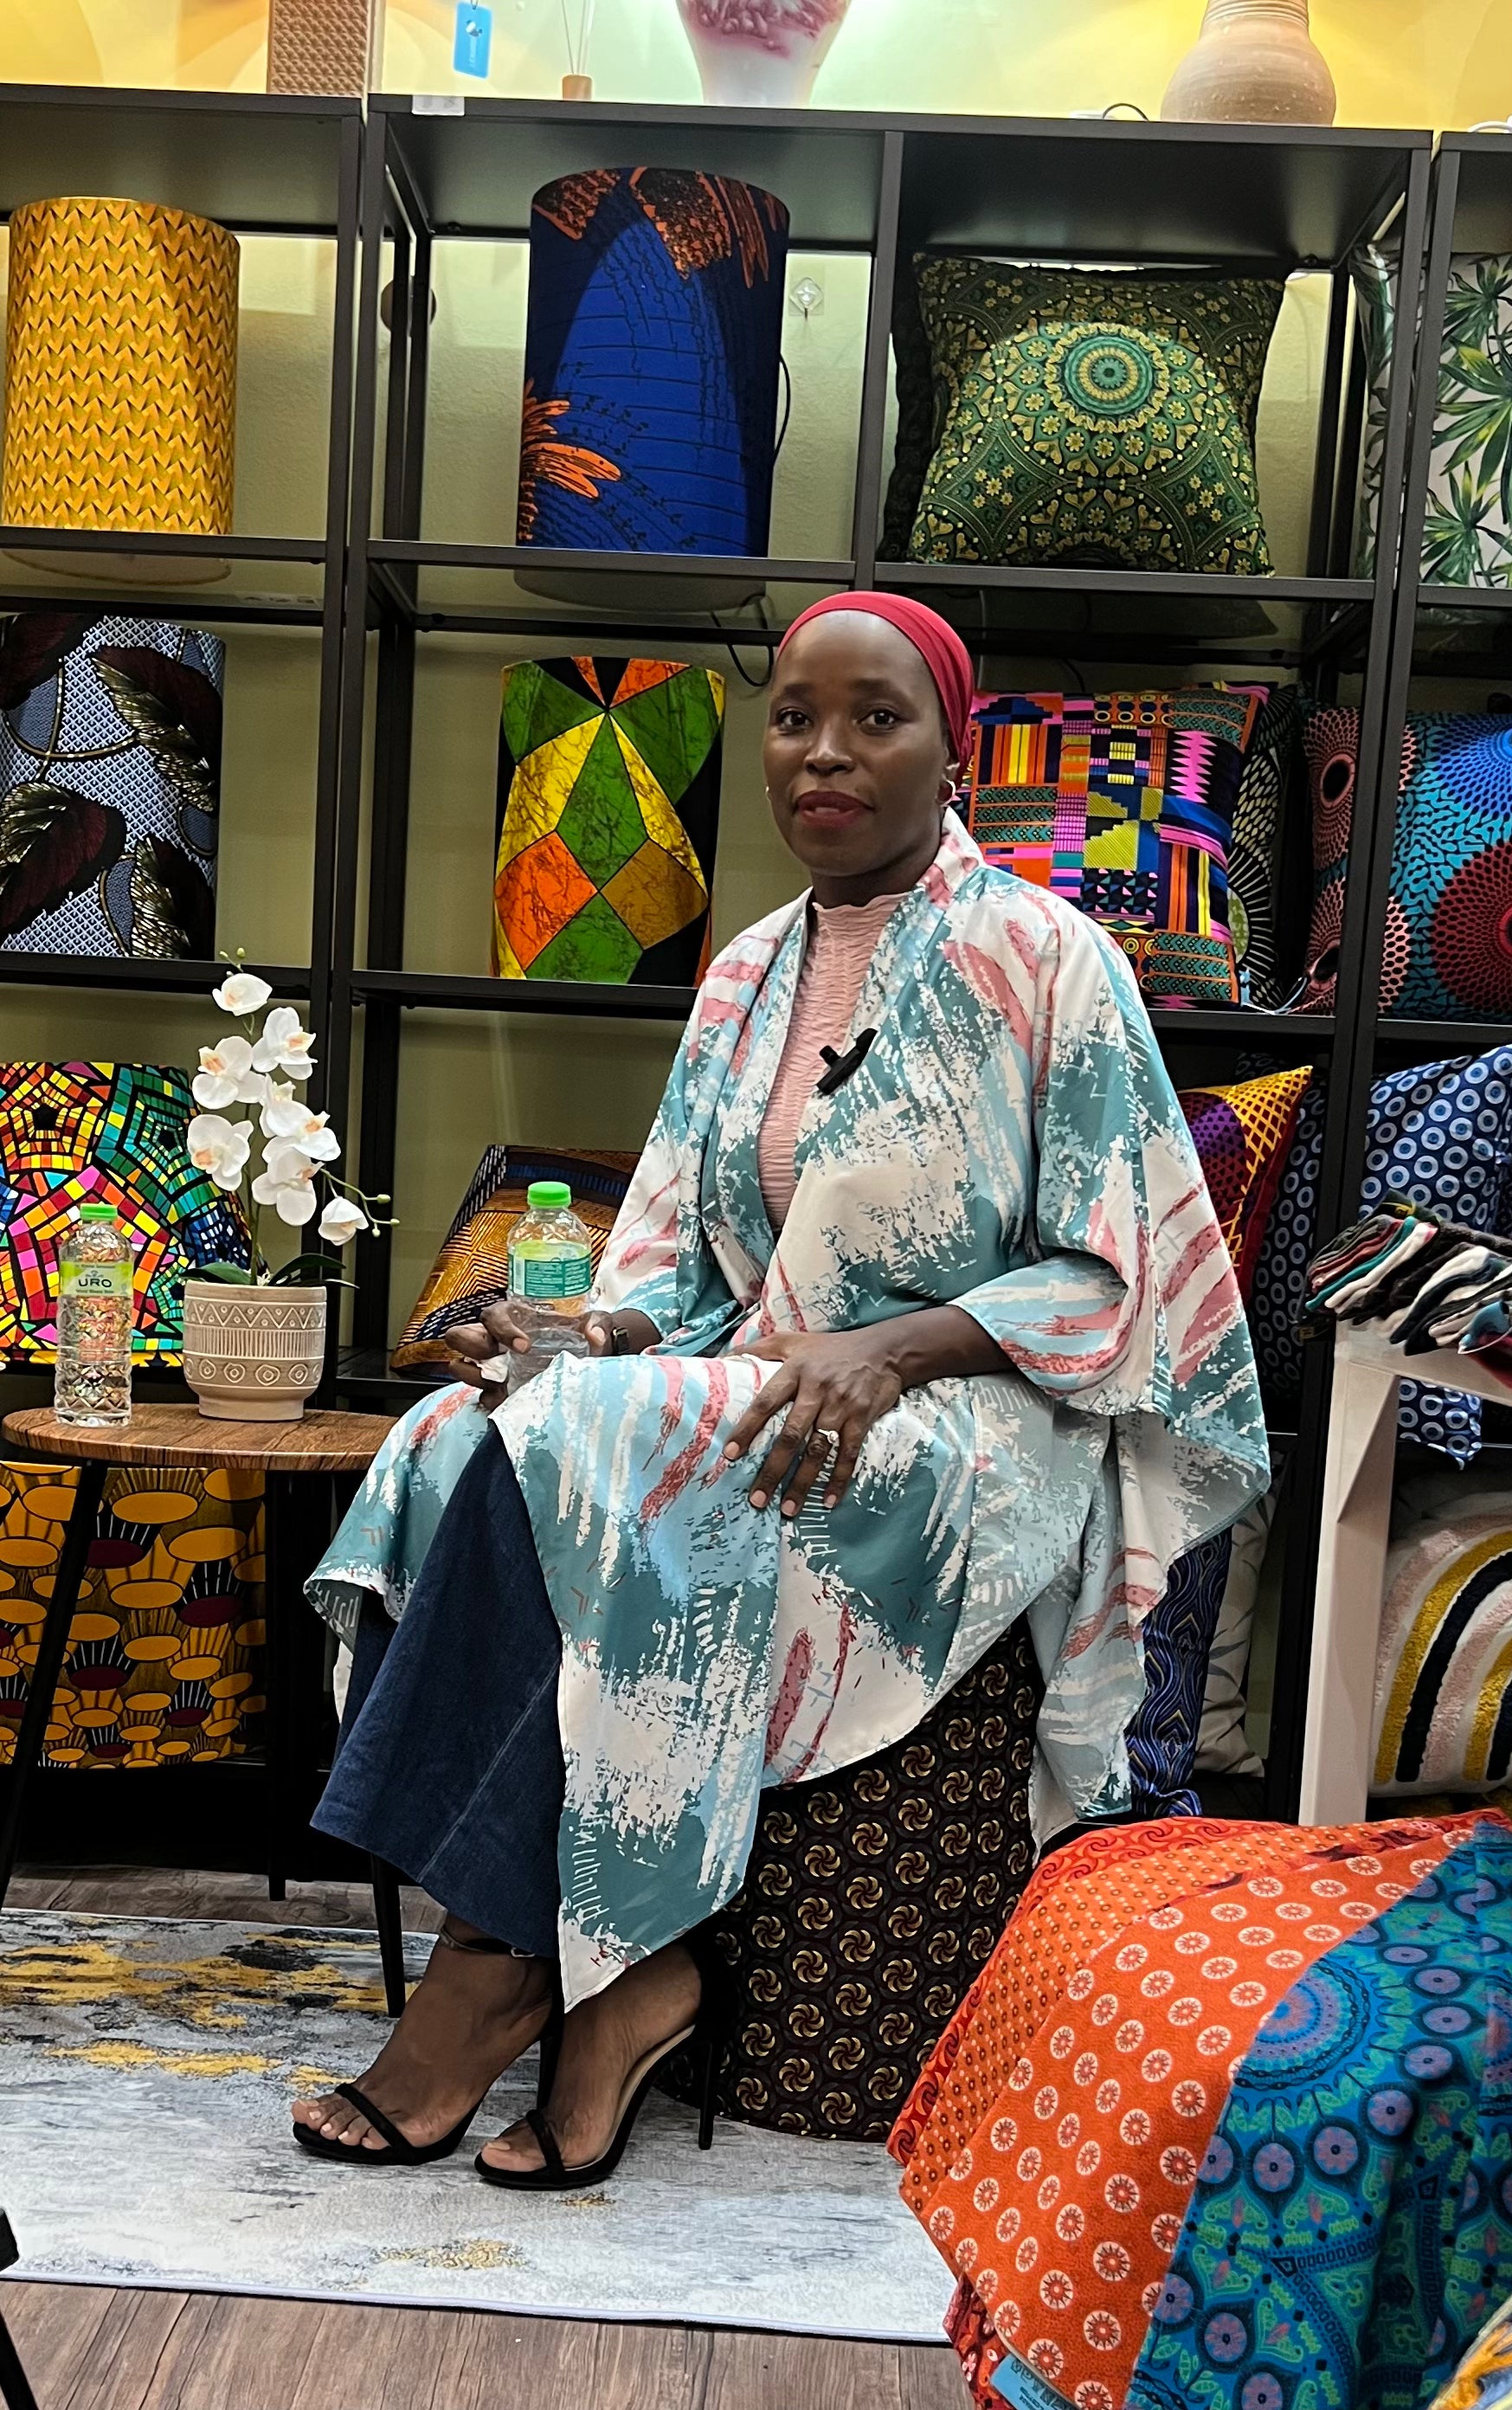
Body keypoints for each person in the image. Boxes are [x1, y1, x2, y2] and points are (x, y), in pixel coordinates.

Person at [289, 592, 1268, 2188]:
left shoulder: (1047, 959)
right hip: (764, 1387)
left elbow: (1119, 1278)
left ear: (954, 755)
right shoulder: (749, 970)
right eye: (797, 718)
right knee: (464, 1431)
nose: (825, 753)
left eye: (875, 719)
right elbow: (679, 1261)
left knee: (594, 1447)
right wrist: (576, 1337)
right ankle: (578, 1959)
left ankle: (497, 1974)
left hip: (970, 1417)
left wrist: (889, 1348)